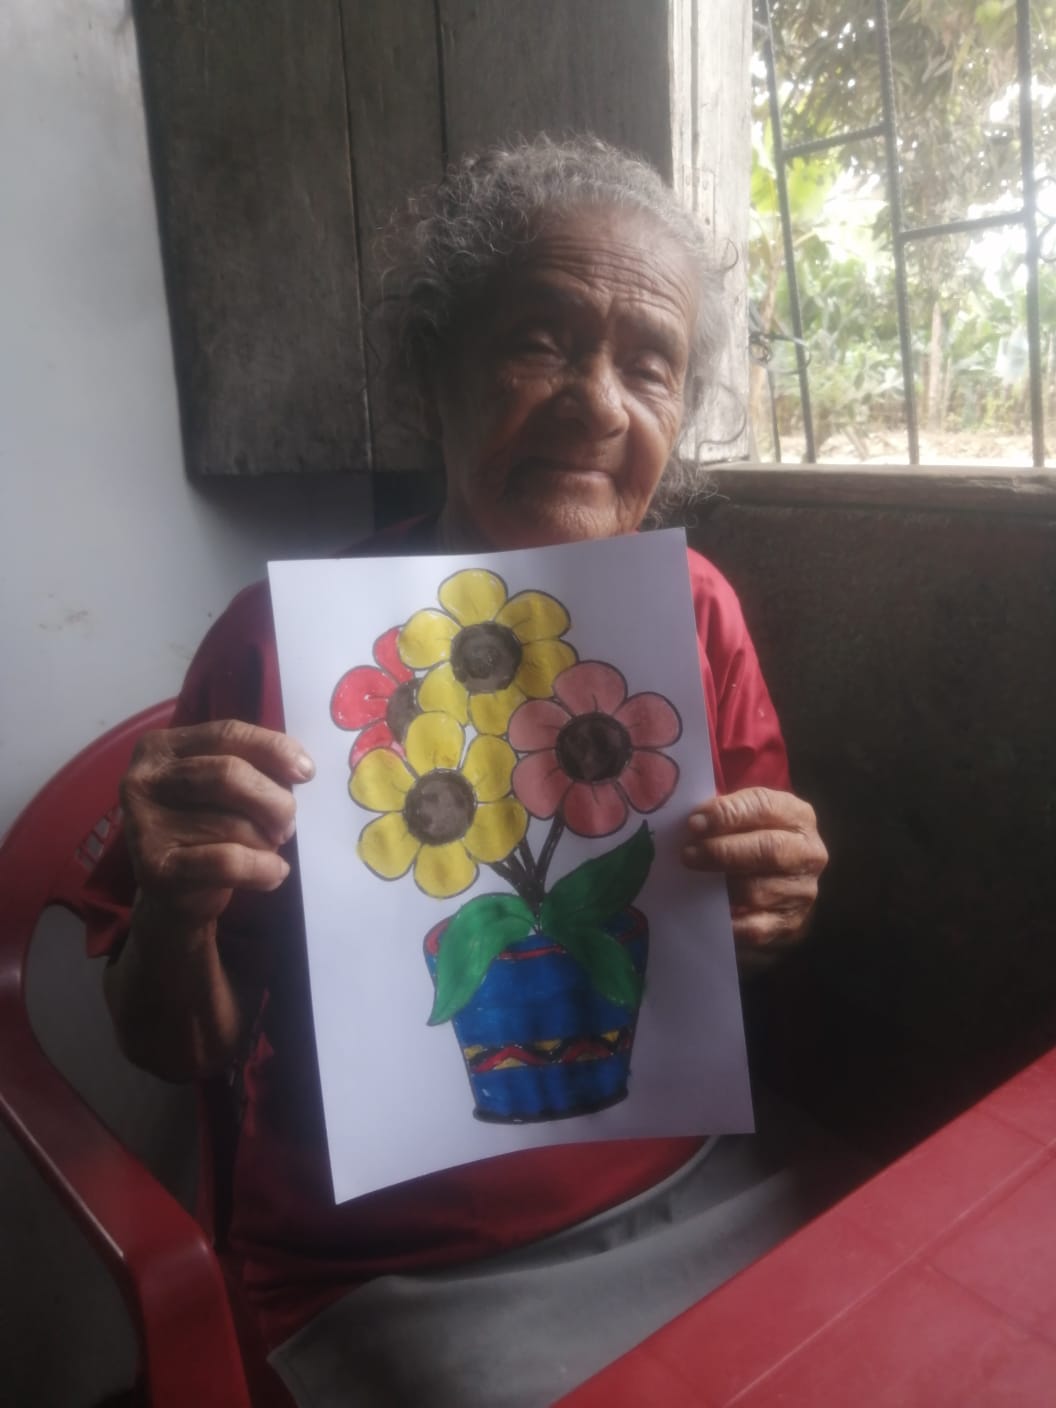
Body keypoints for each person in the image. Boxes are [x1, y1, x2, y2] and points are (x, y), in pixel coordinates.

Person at [87, 137, 836, 1407]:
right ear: (433, 370)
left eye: (649, 364)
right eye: (540, 341)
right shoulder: (276, 650)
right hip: (396, 1264)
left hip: (697, 1179)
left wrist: (771, 908)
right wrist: (173, 913)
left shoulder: (697, 613)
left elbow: (726, 944)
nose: (599, 403)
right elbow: (177, 1047)